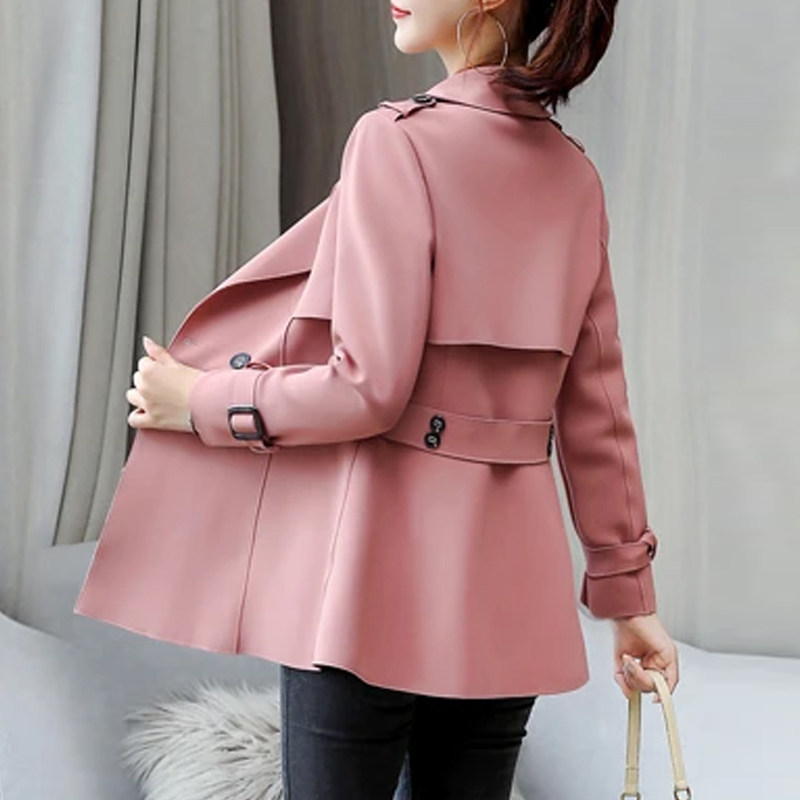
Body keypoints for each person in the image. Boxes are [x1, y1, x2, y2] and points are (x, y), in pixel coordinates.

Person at [76, 0, 680, 797]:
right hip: (508, 592)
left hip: (372, 581)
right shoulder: (574, 175)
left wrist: (201, 402)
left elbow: (366, 388)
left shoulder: (397, 140)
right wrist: (629, 599)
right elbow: (598, 410)